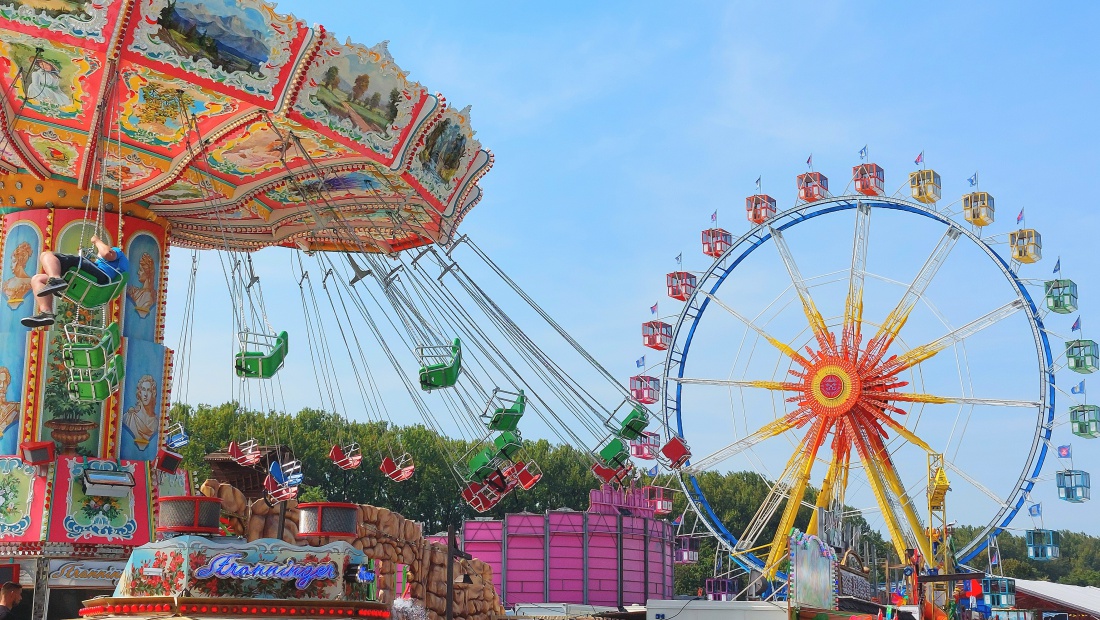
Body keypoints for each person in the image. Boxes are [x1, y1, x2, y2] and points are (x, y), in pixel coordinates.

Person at [21, 235, 128, 328]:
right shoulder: (111, 267)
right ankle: (46, 312)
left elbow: (107, 253)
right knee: (37, 279)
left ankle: (55, 279)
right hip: (94, 285)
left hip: (99, 278)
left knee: (47, 255)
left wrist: (96, 241)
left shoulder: (117, 252)